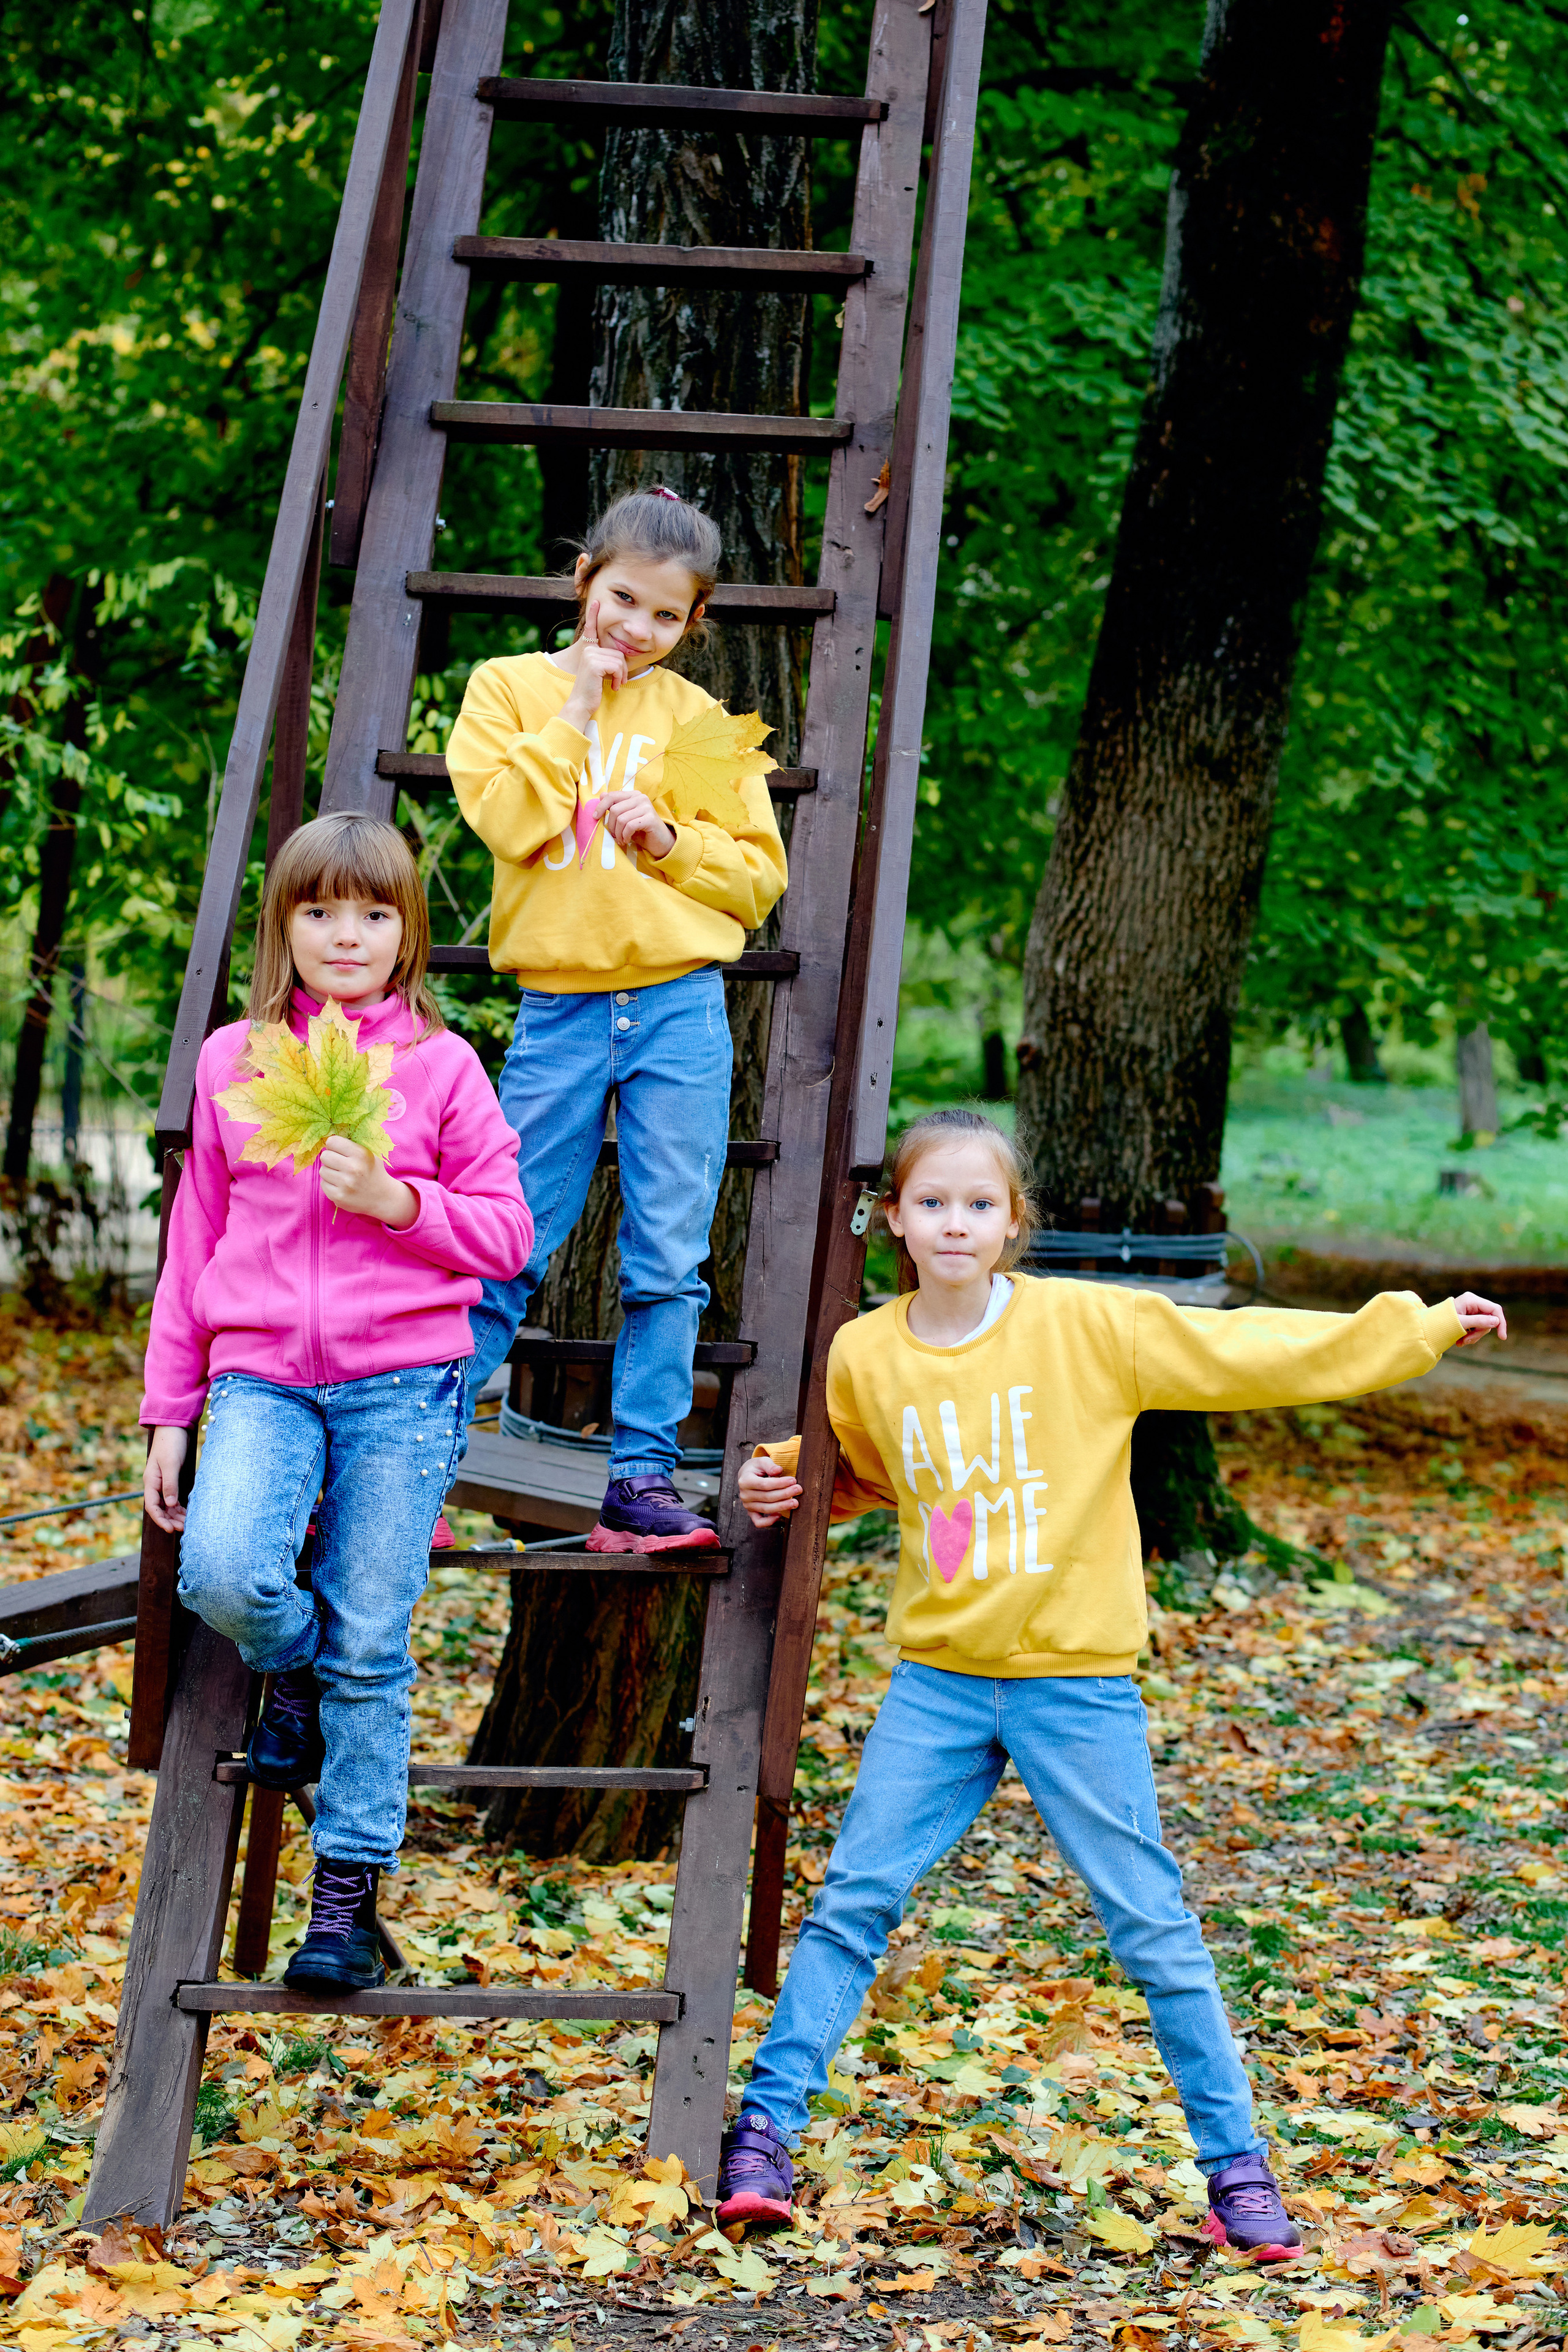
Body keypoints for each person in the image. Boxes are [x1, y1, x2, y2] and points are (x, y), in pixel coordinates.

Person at [726, 1106, 1507, 2258]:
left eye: (979, 1205)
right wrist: (780, 1481)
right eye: (932, 1202)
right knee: (853, 1903)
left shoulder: (1089, 1328)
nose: (956, 1223)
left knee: (1150, 1928)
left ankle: (1238, 2173)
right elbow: (870, 1475)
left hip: (1075, 1685)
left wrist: (1413, 1328)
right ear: (895, 1218)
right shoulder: (865, 1352)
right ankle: (764, 2135)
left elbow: (1252, 1353)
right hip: (938, 1680)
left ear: (1012, 1224)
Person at [141, 813, 532, 1992]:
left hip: (404, 1384)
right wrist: (172, 1408)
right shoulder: (234, 1061)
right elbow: (195, 1234)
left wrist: (400, 1204)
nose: (345, 935)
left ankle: (347, 1897)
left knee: (375, 1636)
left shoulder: (441, 1068)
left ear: (408, 931)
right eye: (319, 912)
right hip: (260, 1373)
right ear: (286, 926)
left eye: (372, 913)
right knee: (221, 1569)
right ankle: (291, 1667)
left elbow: (509, 1235)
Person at [445, 486, 788, 1553]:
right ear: (584, 578)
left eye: (665, 617)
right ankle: (418, 1456)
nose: (635, 631)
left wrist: (668, 843)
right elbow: (504, 818)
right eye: (623, 600)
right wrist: (579, 711)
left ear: (694, 625)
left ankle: (639, 1481)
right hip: (558, 1010)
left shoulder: (696, 723)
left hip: (680, 1008)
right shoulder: (505, 690)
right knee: (508, 1240)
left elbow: (756, 880)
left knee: (668, 1255)